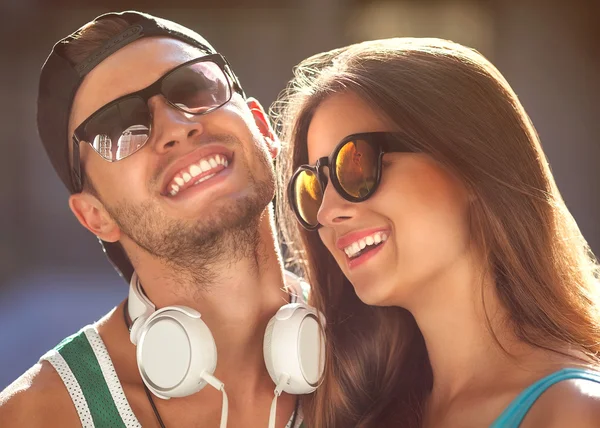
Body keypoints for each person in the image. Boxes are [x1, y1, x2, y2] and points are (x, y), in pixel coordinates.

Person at [0, 11, 325, 428]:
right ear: (95, 215)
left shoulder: (391, 352)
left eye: (193, 88)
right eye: (119, 128)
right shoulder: (31, 417)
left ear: (263, 128)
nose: (176, 126)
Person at [274, 38, 600, 427]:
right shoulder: (363, 412)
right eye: (313, 186)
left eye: (355, 166)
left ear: (471, 164)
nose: (326, 212)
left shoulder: (573, 413)